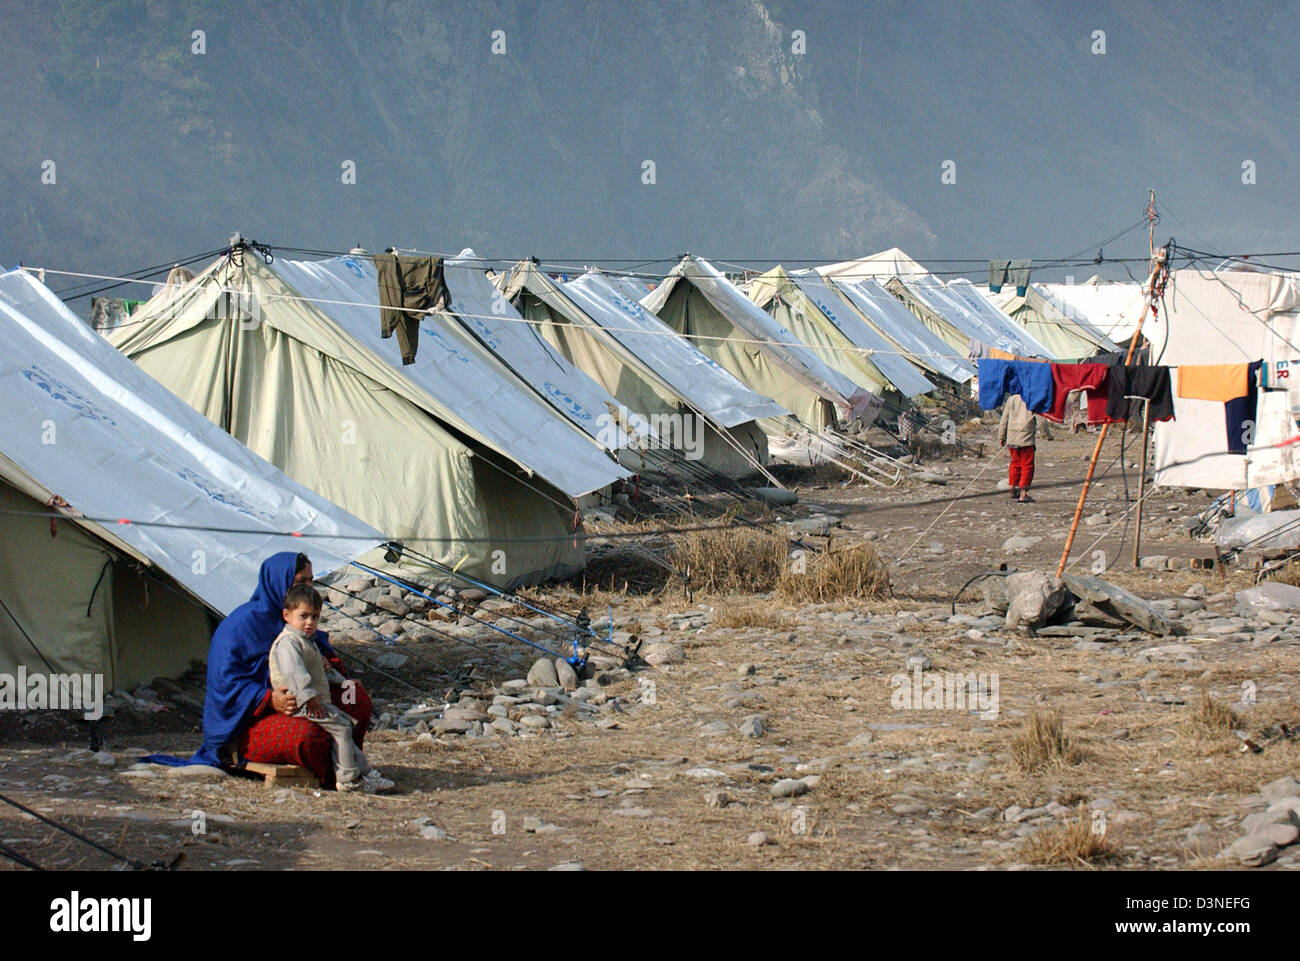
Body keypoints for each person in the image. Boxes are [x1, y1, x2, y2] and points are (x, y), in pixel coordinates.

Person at [145, 552, 378, 790]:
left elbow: (324, 664)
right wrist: (268, 699)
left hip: (308, 704)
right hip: (253, 719)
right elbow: (225, 683)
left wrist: (327, 661)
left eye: (311, 581)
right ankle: (339, 776)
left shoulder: (300, 621)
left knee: (355, 699)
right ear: (278, 582)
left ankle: (348, 770)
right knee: (308, 736)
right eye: (300, 582)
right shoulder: (239, 626)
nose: (308, 588)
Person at [270, 585, 392, 793]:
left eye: (315, 617)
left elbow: (321, 670)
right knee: (342, 728)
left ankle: (365, 772)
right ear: (287, 615)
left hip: (316, 700)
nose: (310, 622)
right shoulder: (289, 643)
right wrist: (309, 698)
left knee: (345, 725)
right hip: (303, 703)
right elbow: (295, 674)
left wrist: (345, 683)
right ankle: (348, 779)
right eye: (304, 616)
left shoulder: (306, 641)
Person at [999, 392, 1037, 503]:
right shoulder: (1033, 398)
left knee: (1015, 463)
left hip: (1012, 437)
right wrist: (1047, 434)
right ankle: (1023, 494)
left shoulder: (1012, 399)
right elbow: (1041, 419)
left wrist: (1002, 436)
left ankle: (1012, 488)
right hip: (1027, 438)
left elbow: (1004, 419)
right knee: (1027, 465)